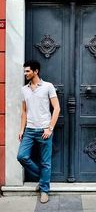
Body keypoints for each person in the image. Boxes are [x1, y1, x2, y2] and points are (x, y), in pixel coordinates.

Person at [17, 60, 60, 203]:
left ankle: (44, 190)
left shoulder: (48, 86)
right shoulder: (24, 89)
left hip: (44, 130)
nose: (25, 74)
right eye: (25, 71)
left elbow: (57, 108)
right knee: (22, 156)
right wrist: (21, 130)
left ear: (36, 71)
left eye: (28, 71)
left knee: (45, 162)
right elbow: (24, 111)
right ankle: (43, 179)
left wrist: (50, 128)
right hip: (29, 130)